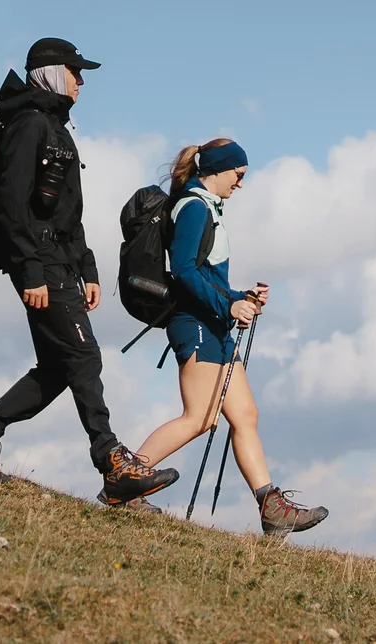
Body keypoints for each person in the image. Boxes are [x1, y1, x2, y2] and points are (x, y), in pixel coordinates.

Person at [0, 38, 180, 506]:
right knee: (85, 358)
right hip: (40, 264)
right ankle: (112, 463)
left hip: (57, 262)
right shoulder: (29, 125)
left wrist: (88, 268)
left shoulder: (53, 126)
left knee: (59, 365)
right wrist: (31, 270)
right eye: (75, 71)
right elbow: (12, 206)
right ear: (51, 72)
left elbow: (65, 212)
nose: (82, 80)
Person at [127, 139, 328, 536]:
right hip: (195, 323)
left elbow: (207, 277)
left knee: (245, 415)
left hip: (212, 323)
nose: (240, 184)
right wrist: (229, 305)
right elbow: (184, 270)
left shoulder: (207, 208)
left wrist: (241, 298)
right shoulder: (194, 207)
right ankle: (125, 482)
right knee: (199, 418)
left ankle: (273, 510)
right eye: (238, 175)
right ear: (217, 170)